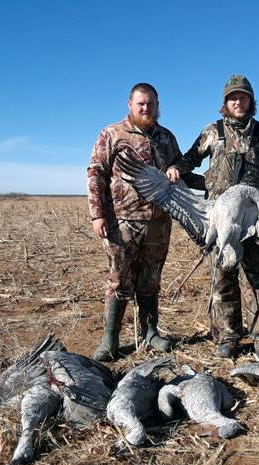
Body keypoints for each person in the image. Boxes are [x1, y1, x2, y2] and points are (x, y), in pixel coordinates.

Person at [166, 75, 259, 360]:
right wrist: (176, 169)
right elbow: (190, 158)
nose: (238, 101)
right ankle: (229, 335)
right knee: (223, 279)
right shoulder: (213, 132)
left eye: (243, 97)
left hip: (253, 221)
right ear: (225, 102)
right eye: (233, 97)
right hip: (221, 221)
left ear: (251, 101)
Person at [87, 82, 181, 361]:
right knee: (119, 280)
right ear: (130, 104)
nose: (146, 108)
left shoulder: (166, 137)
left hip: (159, 222)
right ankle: (110, 341)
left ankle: (150, 333)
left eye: (151, 103)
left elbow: (180, 165)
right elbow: (96, 173)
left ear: (157, 105)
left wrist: (177, 167)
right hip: (122, 221)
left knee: (151, 280)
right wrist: (97, 213)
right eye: (141, 103)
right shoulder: (112, 134)